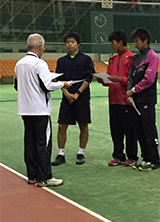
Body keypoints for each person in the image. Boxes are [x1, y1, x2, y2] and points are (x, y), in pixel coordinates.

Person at [14, 33, 71, 187]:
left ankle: (32, 176)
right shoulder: (40, 64)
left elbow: (16, 85)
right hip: (39, 110)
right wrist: (63, 84)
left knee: (30, 143)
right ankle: (45, 177)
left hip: (25, 110)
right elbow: (47, 85)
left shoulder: (19, 64)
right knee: (43, 144)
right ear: (40, 47)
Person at [52, 32, 95, 166]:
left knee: (83, 125)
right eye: (67, 42)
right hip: (66, 98)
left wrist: (77, 93)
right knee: (61, 126)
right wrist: (66, 93)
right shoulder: (61, 61)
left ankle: (81, 153)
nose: (69, 44)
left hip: (81, 98)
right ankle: (61, 154)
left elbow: (89, 78)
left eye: (72, 42)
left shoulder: (86, 59)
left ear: (78, 43)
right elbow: (59, 79)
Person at [97, 30, 138, 167]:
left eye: (113, 42)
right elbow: (109, 79)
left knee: (130, 131)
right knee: (115, 131)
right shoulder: (112, 59)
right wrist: (102, 80)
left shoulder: (132, 58)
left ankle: (132, 156)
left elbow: (134, 81)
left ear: (120, 41)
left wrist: (120, 79)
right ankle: (118, 155)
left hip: (126, 100)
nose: (111, 45)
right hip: (113, 100)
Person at [126, 27, 160, 171]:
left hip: (147, 99)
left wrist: (133, 90)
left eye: (137, 41)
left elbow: (149, 79)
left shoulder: (152, 56)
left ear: (145, 41)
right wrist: (129, 91)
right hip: (135, 100)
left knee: (148, 130)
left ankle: (154, 160)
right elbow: (130, 76)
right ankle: (145, 157)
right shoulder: (136, 57)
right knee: (139, 130)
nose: (134, 44)